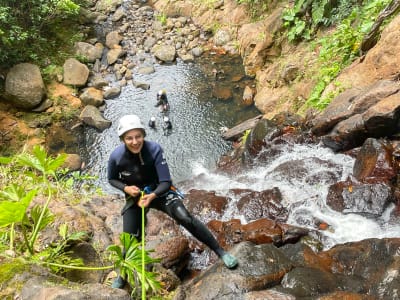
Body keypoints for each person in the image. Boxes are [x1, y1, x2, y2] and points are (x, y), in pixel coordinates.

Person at [107, 114, 238, 288]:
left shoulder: (154, 150)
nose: (135, 141)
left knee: (185, 217)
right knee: (130, 237)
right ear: (123, 139)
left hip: (159, 192)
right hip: (136, 196)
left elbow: (166, 182)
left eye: (138, 136)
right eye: (129, 138)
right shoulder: (116, 157)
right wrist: (126, 188)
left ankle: (220, 252)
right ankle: (123, 274)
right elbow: (112, 179)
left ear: (143, 135)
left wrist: (152, 196)